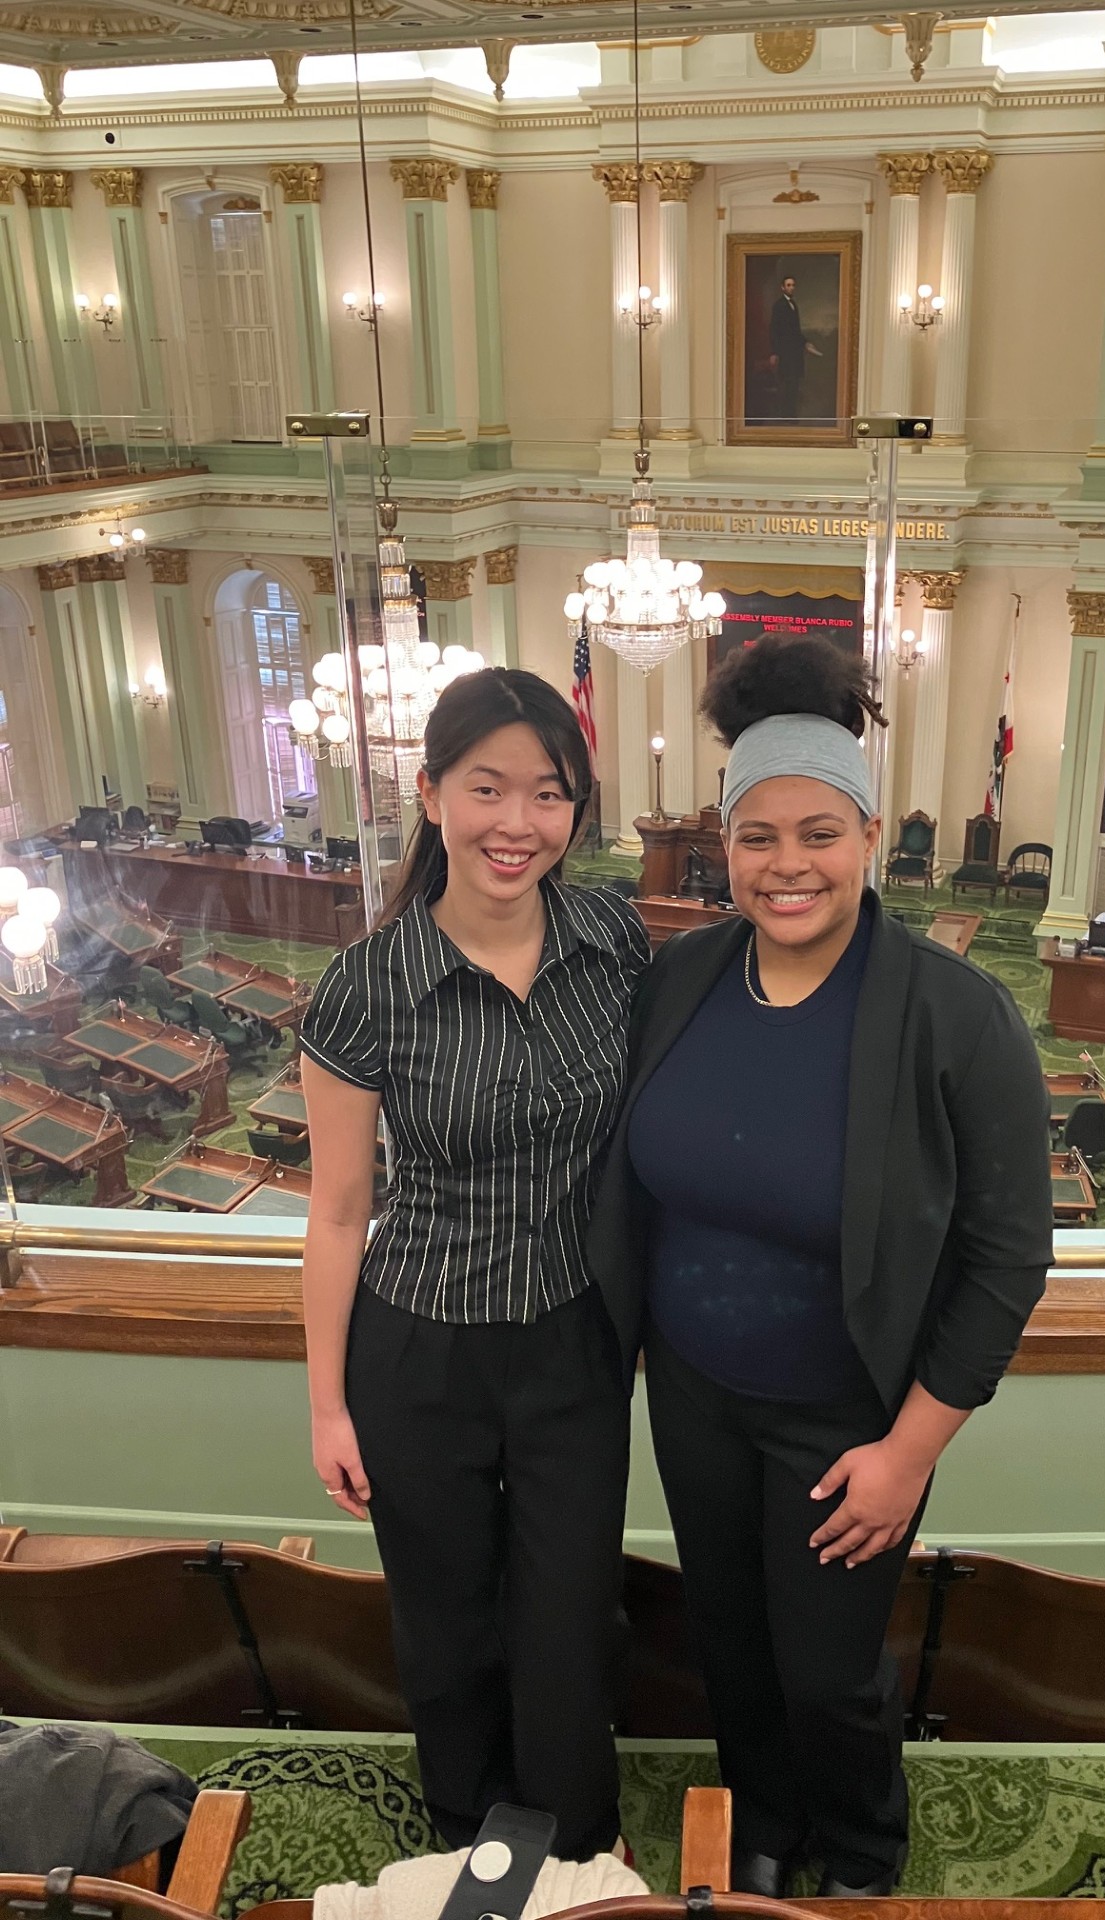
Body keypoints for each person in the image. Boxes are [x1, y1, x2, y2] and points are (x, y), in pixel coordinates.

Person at [587, 638, 1053, 1899]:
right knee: (731, 1648)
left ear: (866, 841)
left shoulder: (958, 1018)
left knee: (831, 1672)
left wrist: (908, 1453)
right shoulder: (679, 977)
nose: (787, 865)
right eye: (758, 837)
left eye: (819, 833)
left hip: (849, 1416)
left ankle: (859, 1852)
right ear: (721, 845)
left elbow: (1010, 1257)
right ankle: (766, 1830)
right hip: (691, 1395)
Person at [299, 667, 649, 1859]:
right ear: (431, 789)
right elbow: (341, 1213)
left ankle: (574, 1848)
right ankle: (466, 1837)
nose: (518, 823)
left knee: (567, 1620)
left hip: (574, 1340)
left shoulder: (613, 939)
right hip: (419, 1348)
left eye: (548, 794)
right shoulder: (365, 988)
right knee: (445, 1623)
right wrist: (327, 1405)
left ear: (577, 808)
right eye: (487, 787)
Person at [768, 273, 823, 424]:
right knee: (787, 384)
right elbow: (774, 330)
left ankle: (791, 415)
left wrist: (805, 342)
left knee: (794, 384)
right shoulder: (779, 306)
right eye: (788, 285)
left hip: (795, 352)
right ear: (782, 288)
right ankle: (786, 416)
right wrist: (774, 352)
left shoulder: (794, 305)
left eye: (793, 285)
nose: (791, 288)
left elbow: (795, 331)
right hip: (786, 353)